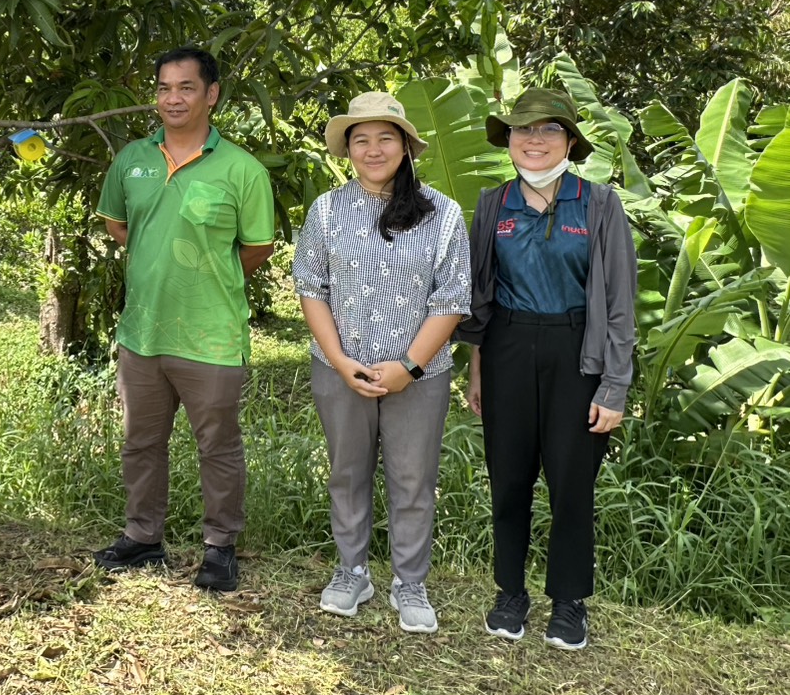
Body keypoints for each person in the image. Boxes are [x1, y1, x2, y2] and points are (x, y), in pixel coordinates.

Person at [458, 87, 636, 651]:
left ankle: (569, 601)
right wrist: (477, 371)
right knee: (508, 478)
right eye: (522, 130)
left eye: (549, 130)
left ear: (570, 141)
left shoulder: (599, 203)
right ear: (508, 140)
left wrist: (614, 385)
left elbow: (620, 305)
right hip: (507, 347)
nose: (534, 140)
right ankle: (510, 592)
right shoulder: (493, 203)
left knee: (570, 480)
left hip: (576, 351)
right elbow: (479, 298)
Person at [92, 47, 275, 592]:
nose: (173, 98)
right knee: (140, 441)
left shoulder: (242, 169)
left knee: (217, 445)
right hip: (142, 333)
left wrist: (202, 277)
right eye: (165, 87)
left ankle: (220, 548)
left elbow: (256, 248)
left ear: (211, 94)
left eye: (186, 87)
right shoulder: (132, 160)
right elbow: (121, 226)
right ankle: (143, 537)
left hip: (211, 334)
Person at [292, 92, 471, 633]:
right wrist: (341, 360)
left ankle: (409, 581)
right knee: (347, 473)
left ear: (406, 146)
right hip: (341, 369)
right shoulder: (326, 210)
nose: (373, 149)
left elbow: (452, 298)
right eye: (361, 139)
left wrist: (408, 368)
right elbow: (310, 286)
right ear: (348, 149)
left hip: (420, 374)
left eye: (385, 137)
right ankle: (352, 572)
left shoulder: (443, 213)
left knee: (413, 478)